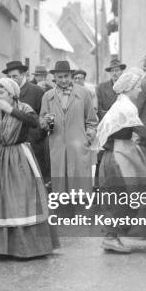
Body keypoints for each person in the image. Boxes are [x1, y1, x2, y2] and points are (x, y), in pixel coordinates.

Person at [0, 78, 60, 258]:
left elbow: (35, 122)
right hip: (2, 158)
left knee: (23, 198)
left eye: (1, 92)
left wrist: (11, 111)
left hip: (20, 156)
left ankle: (30, 247)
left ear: (12, 94)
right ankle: (4, 248)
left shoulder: (24, 108)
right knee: (2, 199)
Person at [93, 68, 146, 253]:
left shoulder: (120, 104)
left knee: (122, 195)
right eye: (137, 86)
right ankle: (111, 237)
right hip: (118, 156)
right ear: (129, 87)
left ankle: (124, 232)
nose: (140, 90)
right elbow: (144, 135)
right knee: (121, 196)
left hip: (117, 153)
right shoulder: (126, 107)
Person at [40, 60, 98, 193]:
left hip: (78, 148)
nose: (63, 80)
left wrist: (86, 139)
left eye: (66, 76)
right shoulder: (47, 97)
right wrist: (46, 123)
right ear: (54, 77)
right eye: (60, 77)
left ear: (71, 76)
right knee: (61, 190)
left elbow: (92, 121)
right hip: (57, 147)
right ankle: (63, 212)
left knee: (80, 190)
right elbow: (42, 121)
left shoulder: (83, 94)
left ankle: (81, 212)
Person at [3, 60, 48, 179]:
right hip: (13, 146)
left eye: (14, 76)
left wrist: (36, 137)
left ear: (23, 75)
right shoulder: (5, 93)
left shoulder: (36, 91)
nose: (11, 79)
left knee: (34, 178)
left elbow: (43, 117)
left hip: (33, 144)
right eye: (9, 77)